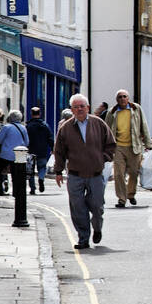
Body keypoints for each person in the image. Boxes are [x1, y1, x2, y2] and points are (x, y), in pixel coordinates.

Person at [52, 94, 116, 250]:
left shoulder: (98, 123)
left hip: (95, 174)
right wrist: (58, 171)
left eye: (82, 106)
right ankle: (83, 238)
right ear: (71, 110)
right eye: (76, 107)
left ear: (87, 107)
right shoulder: (65, 128)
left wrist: (103, 158)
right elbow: (59, 151)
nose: (79, 109)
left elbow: (111, 144)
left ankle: (97, 228)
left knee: (97, 206)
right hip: (75, 175)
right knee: (78, 208)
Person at [107, 89, 152, 208]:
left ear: (128, 98)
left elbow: (144, 125)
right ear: (117, 100)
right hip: (118, 147)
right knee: (118, 174)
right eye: (120, 97)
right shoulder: (112, 112)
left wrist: (148, 143)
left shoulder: (136, 109)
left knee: (133, 172)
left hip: (134, 146)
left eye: (124, 96)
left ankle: (130, 194)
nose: (122, 98)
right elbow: (106, 130)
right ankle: (122, 198)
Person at [0, 111, 31, 193]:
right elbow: (27, 142)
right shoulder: (23, 128)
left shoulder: (6, 127)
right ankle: (17, 192)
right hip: (18, 156)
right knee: (16, 175)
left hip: (6, 155)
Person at [26, 107, 54, 194]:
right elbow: (50, 138)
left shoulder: (28, 126)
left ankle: (32, 189)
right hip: (42, 151)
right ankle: (41, 179)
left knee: (30, 170)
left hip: (31, 151)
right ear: (40, 113)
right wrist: (52, 148)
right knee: (42, 167)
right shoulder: (45, 125)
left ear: (31, 114)